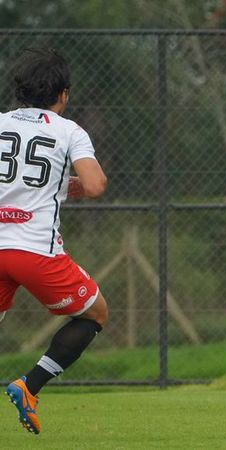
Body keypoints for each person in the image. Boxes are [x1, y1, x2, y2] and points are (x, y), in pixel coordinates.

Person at [0, 47, 108, 435]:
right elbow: (95, 185)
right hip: (35, 253)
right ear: (63, 94)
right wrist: (66, 184)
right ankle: (29, 386)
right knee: (95, 315)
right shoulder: (67, 129)